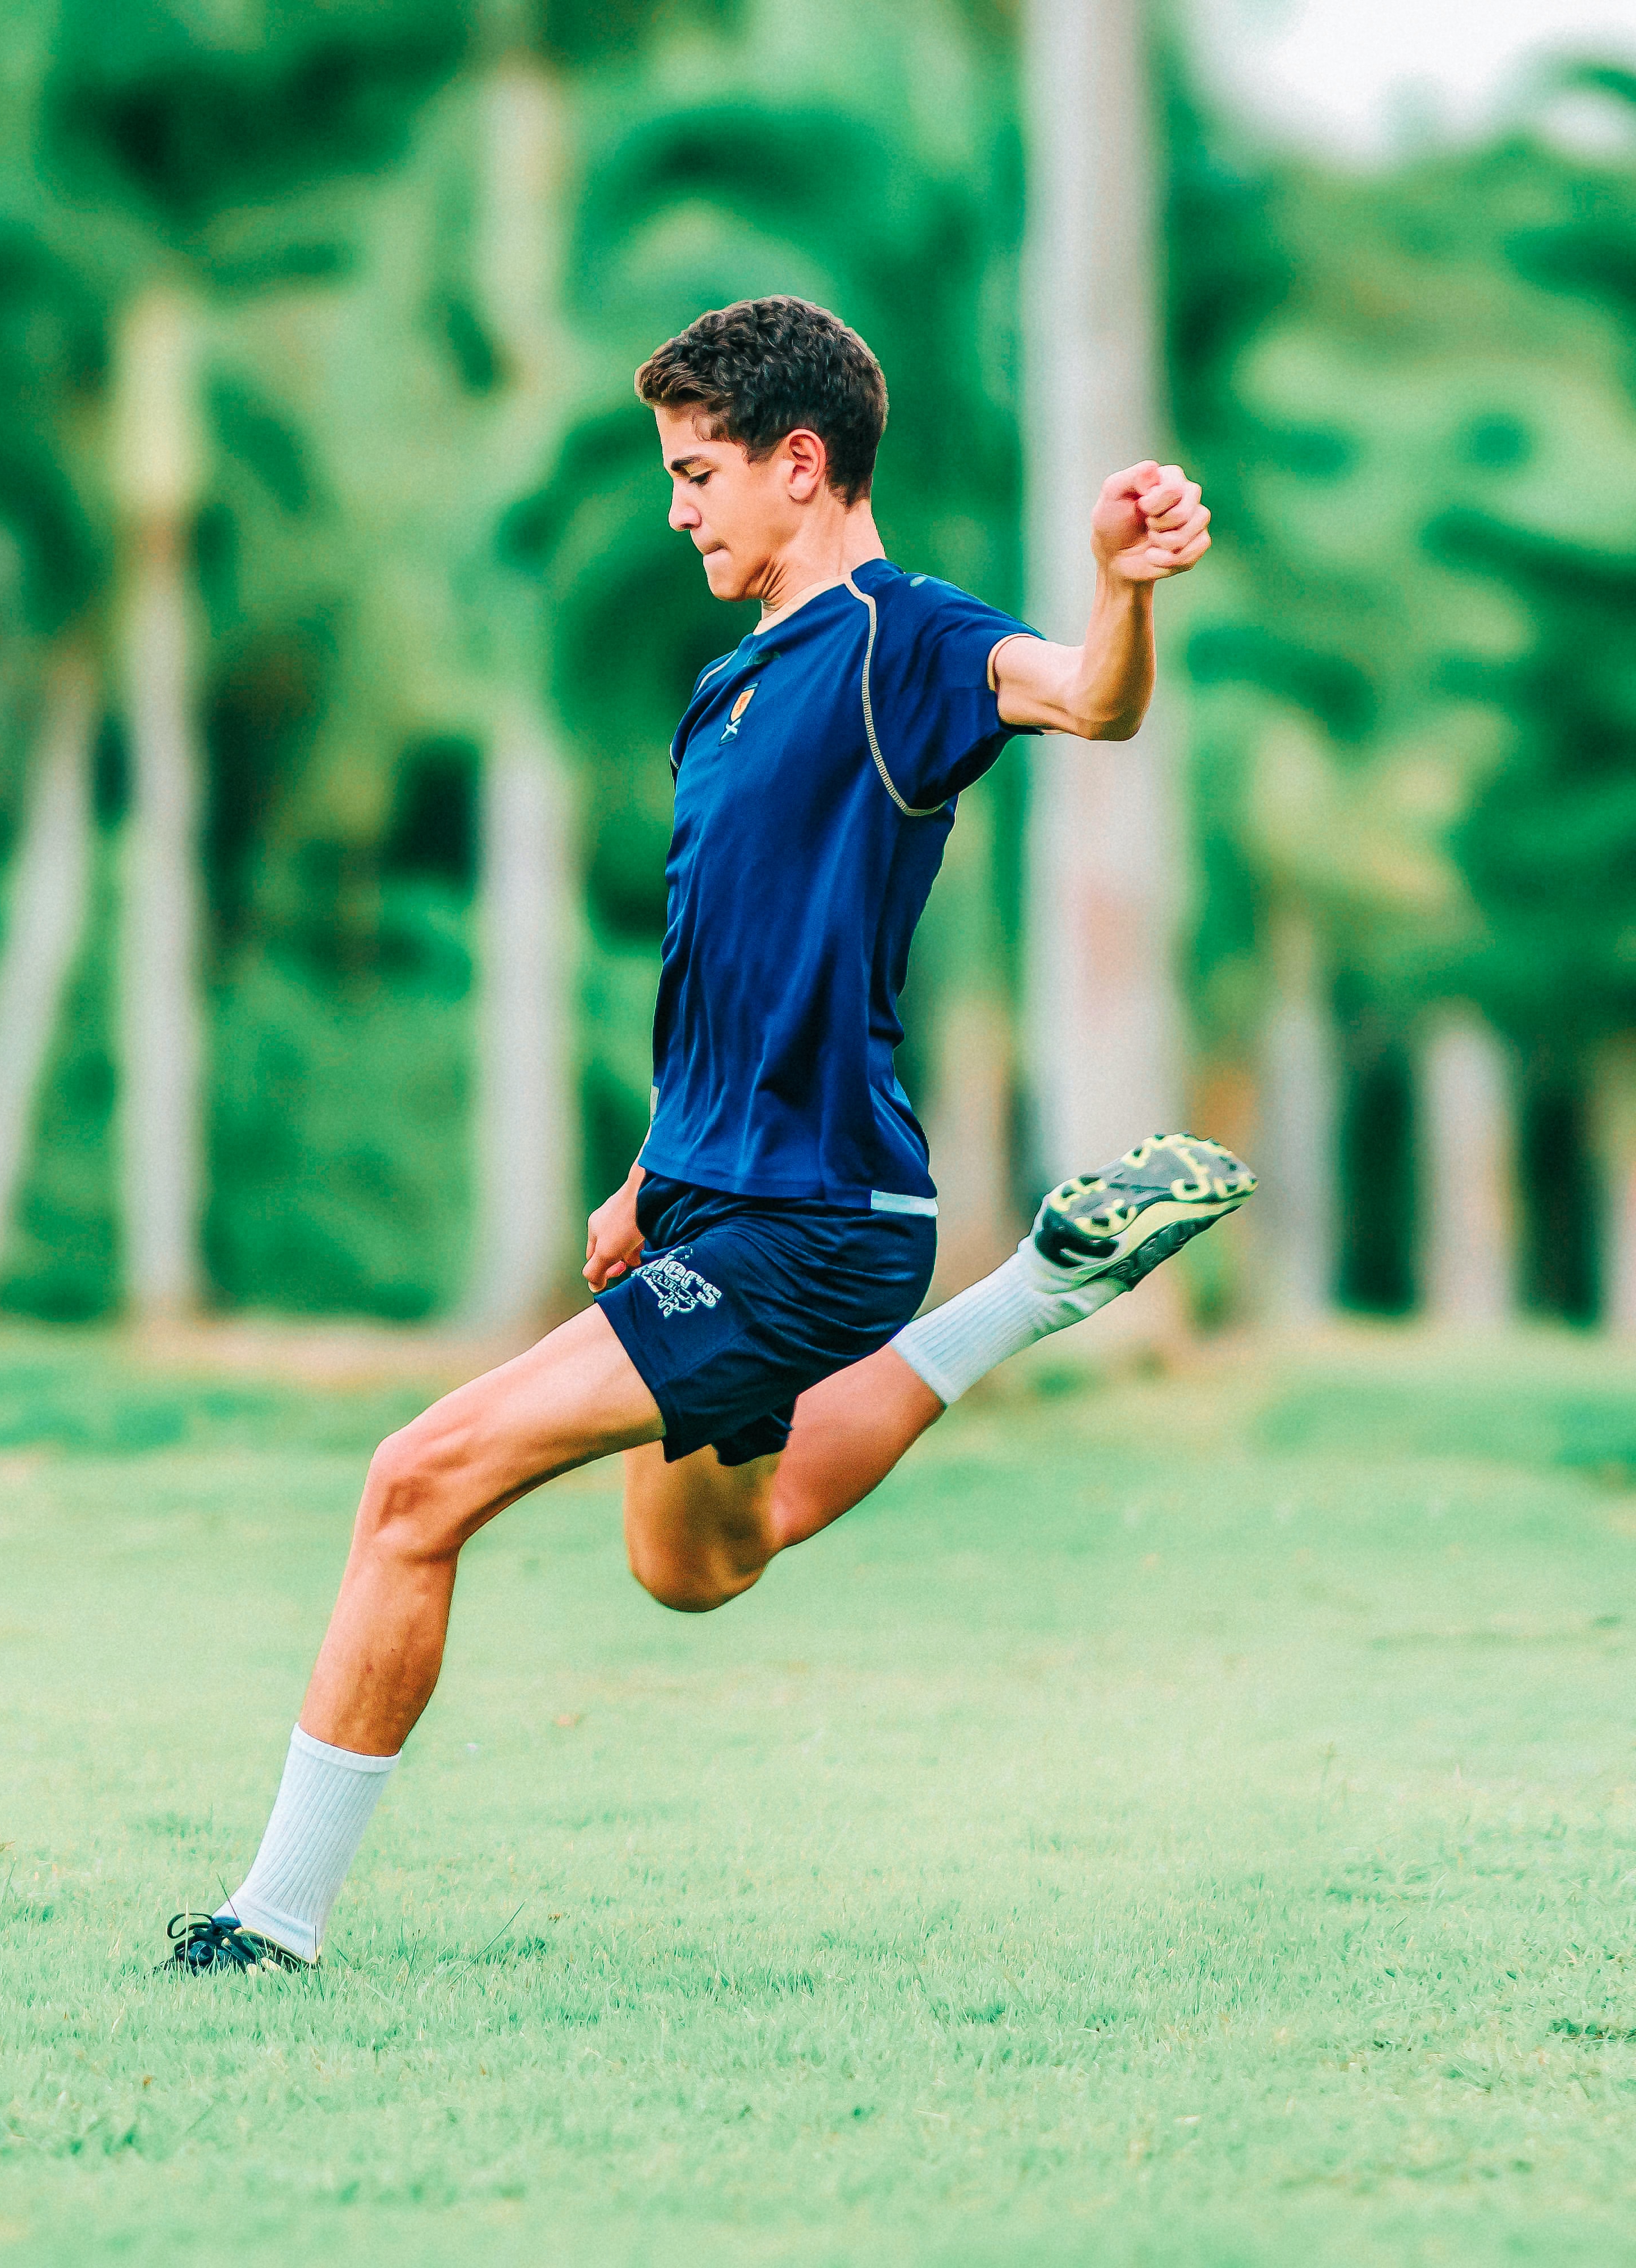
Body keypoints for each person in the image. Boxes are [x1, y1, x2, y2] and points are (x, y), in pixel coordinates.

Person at [166, 294, 1252, 1975]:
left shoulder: (909, 642)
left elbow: (1091, 704)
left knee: (413, 1485)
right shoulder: (729, 687)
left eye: (697, 473)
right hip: (718, 1203)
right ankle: (1036, 1285)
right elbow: (721, 972)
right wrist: (644, 1179)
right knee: (699, 1566)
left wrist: (1121, 591)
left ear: (799, 466)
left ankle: (269, 1926)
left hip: (815, 1219)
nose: (678, 510)